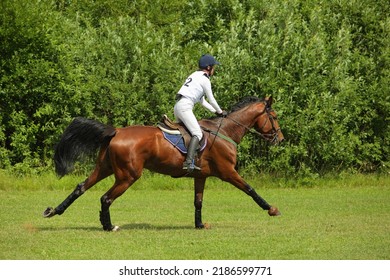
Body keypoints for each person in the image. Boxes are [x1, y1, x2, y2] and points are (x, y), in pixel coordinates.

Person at [174, 54, 227, 172]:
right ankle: (188, 162)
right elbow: (211, 99)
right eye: (213, 67)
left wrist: (215, 112)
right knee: (197, 133)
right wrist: (220, 111)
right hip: (185, 107)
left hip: (178, 106)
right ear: (208, 68)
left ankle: (179, 157)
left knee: (186, 133)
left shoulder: (194, 75)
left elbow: (202, 101)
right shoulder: (204, 79)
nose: (214, 69)